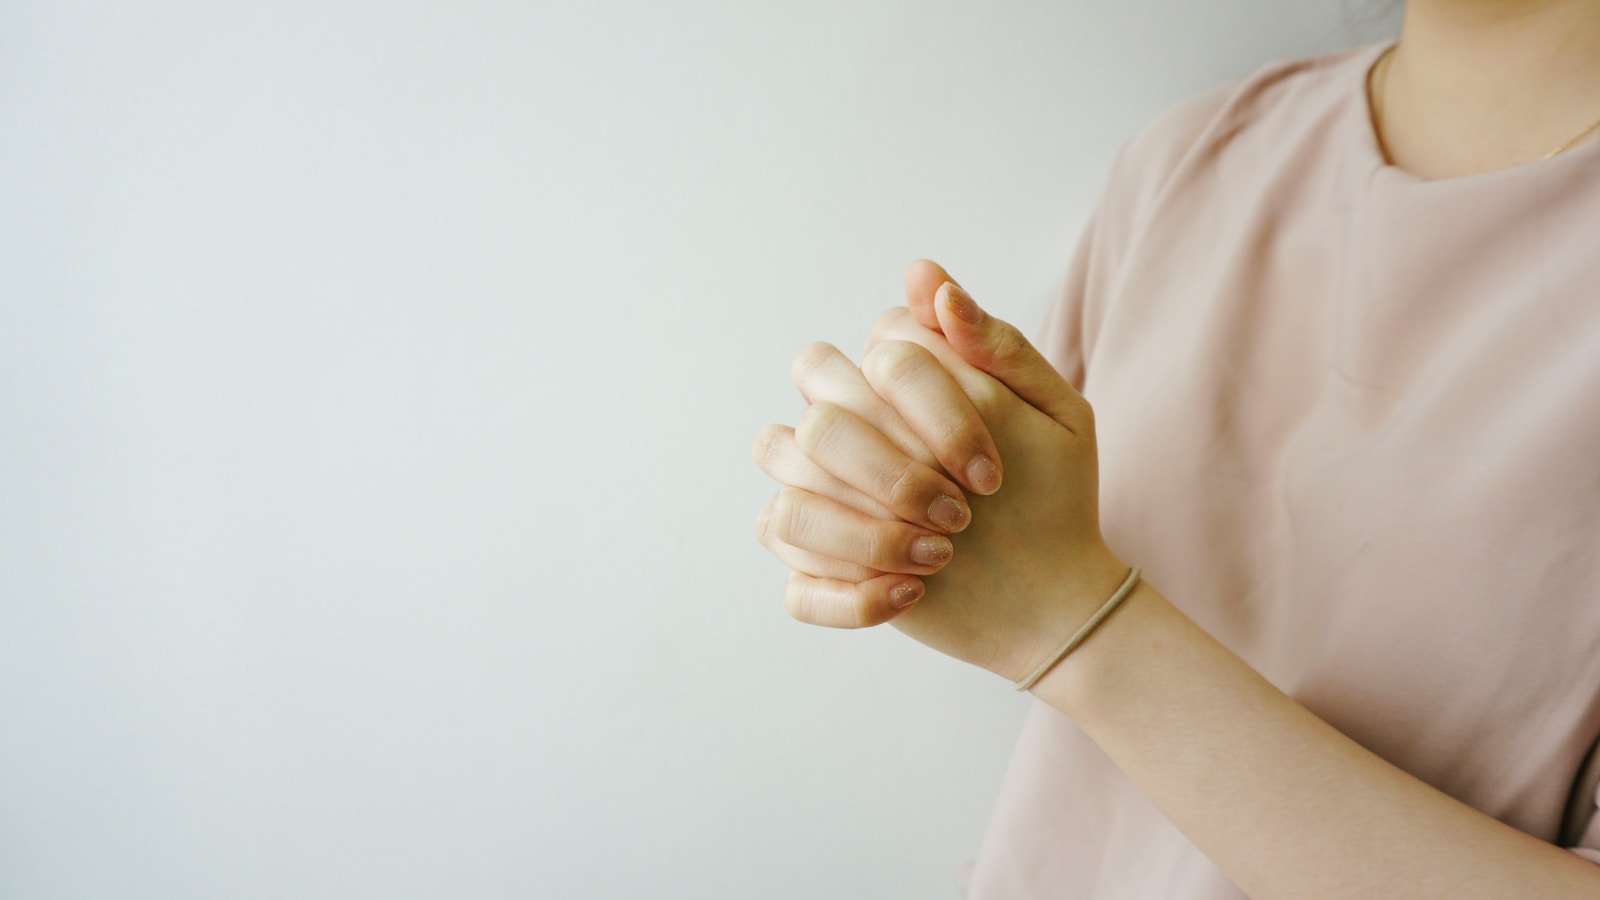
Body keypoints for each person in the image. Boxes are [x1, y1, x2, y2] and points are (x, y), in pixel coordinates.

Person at [751, 1, 1600, 897]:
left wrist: (1075, 625)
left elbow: (1050, 600)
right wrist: (900, 500)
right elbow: (1010, 560)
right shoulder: (1187, 162)